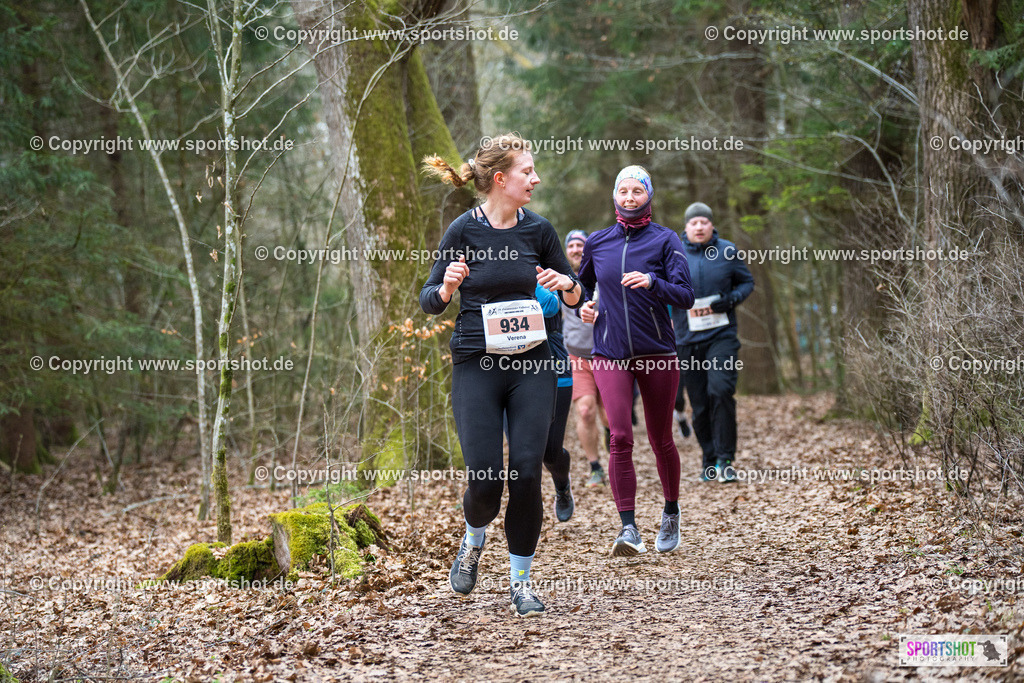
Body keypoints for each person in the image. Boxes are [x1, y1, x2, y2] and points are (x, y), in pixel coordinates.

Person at [419, 133, 583, 617]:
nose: (536, 179)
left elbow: (576, 293)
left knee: (528, 472)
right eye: (527, 171)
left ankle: (521, 583)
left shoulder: (540, 231)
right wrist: (447, 286)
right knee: (486, 480)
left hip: (532, 364)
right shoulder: (462, 231)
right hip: (478, 365)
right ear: (500, 179)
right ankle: (473, 541)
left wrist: (566, 284)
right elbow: (428, 301)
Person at [577, 165, 694, 556]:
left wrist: (652, 283)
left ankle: (671, 511)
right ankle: (628, 529)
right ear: (615, 196)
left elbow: (685, 295)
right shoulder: (598, 242)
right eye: (623, 191)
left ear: (649, 197)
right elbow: (582, 289)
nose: (629, 198)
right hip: (610, 352)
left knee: (661, 439)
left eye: (637, 192)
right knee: (621, 437)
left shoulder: (666, 240)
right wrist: (585, 309)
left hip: (657, 352)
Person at [671, 202, 754, 483]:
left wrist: (731, 300)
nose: (698, 227)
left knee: (721, 391)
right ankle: (708, 457)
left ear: (711, 225)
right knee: (700, 403)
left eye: (703, 222)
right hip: (687, 339)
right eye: (693, 223)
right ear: (686, 227)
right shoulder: (673, 253)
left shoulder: (727, 250)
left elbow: (747, 283)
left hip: (722, 336)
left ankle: (726, 459)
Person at [560, 230, 610, 488]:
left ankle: (611, 437)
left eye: (582, 244)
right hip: (577, 356)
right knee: (585, 410)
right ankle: (596, 467)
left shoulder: (603, 274)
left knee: (609, 416)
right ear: (567, 251)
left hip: (608, 354)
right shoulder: (560, 279)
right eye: (572, 245)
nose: (577, 249)